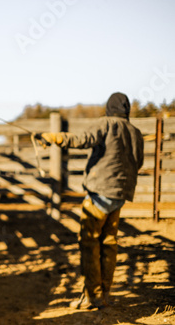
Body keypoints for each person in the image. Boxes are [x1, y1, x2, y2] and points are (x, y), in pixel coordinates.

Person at [37, 92, 144, 310]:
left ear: (109, 108)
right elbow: (138, 162)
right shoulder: (135, 132)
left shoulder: (105, 124)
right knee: (109, 243)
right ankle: (104, 294)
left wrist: (53, 137)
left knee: (89, 242)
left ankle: (91, 297)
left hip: (99, 194)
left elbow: (80, 140)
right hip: (119, 195)